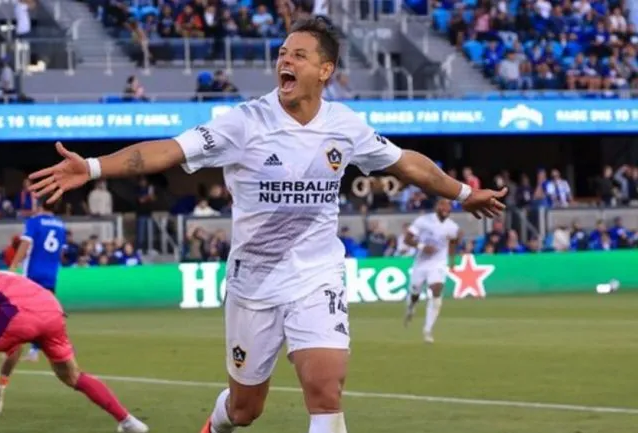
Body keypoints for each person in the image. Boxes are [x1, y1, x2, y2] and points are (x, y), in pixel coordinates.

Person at [25, 16, 506, 433]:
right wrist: (90, 168)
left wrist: (464, 194)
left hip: (318, 277)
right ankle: (216, 424)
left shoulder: (345, 126)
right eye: (281, 53)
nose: (285, 62)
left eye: (299, 55)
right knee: (244, 408)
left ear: (325, 70)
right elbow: (166, 151)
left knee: (326, 390)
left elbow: (406, 164)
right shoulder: (245, 123)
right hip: (253, 285)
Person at [0, 265, 149, 433]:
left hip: (22, 312)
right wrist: (1, 382)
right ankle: (128, 421)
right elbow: (15, 341)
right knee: (73, 376)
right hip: (53, 310)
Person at [8, 198, 65, 362]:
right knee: (44, 314)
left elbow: (25, 244)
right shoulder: (60, 225)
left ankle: (13, 348)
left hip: (33, 273)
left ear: (39, 205)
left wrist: (13, 266)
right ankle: (36, 350)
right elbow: (60, 253)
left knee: (20, 310)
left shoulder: (34, 222)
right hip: (51, 274)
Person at [403, 198, 461, 343]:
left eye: (448, 206)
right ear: (437, 206)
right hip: (421, 262)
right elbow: (407, 239)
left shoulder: (452, 226)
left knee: (436, 290)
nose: (446, 208)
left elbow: (454, 241)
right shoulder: (423, 221)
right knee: (415, 290)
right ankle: (411, 307)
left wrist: (452, 260)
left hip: (439, 263)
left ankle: (428, 329)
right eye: (443, 204)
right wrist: (422, 247)